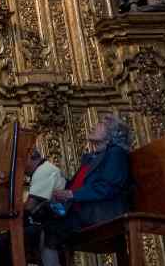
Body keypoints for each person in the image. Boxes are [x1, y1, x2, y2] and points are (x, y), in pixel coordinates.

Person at [37, 114, 134, 266]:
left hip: (103, 212)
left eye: (100, 124)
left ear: (112, 134)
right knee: (44, 224)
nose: (93, 126)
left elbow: (107, 187)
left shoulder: (116, 153)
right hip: (83, 210)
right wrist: (60, 190)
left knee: (50, 230)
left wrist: (71, 194)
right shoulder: (92, 158)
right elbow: (76, 185)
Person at [0, 148, 66, 265]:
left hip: (51, 226)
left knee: (0, 243)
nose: (21, 168)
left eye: (21, 162)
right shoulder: (41, 170)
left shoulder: (44, 170)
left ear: (30, 157)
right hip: (44, 223)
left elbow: (29, 207)